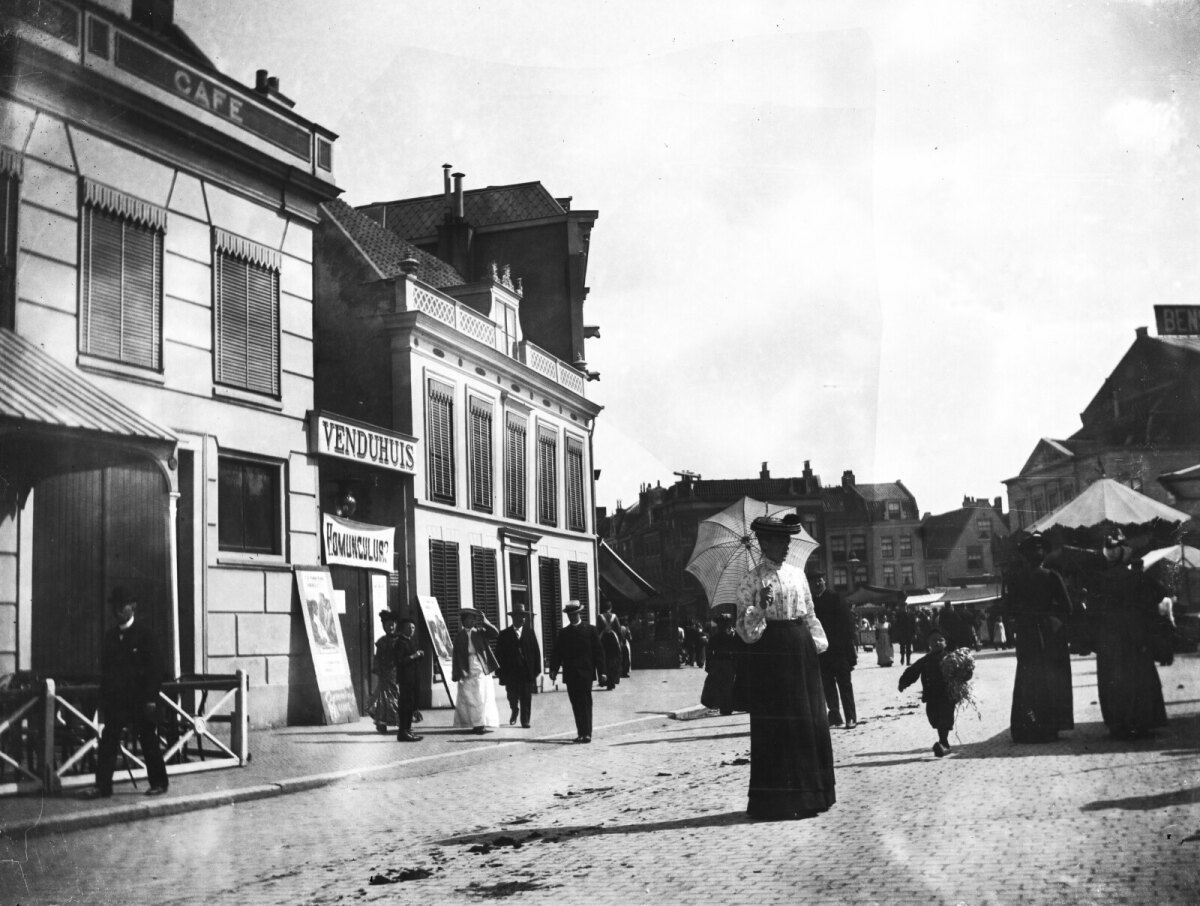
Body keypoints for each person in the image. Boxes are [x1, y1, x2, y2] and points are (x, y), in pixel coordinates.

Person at [735, 514, 835, 821]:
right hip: (771, 654)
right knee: (779, 725)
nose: (786, 546)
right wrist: (760, 607)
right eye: (781, 541)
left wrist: (816, 643)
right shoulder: (752, 580)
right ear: (765, 543)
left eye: (788, 540)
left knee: (807, 720)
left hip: (800, 648)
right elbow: (745, 629)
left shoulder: (797, 574)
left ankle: (813, 794)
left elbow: (809, 612)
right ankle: (778, 801)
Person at [1050, 529, 1172, 739]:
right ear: (1125, 552)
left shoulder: (1098, 580)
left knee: (1112, 677)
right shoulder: (1137, 577)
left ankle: (1118, 724)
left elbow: (1091, 610)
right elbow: (1158, 597)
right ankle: (1142, 721)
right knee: (1138, 674)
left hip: (1109, 635)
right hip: (1135, 632)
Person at [85, 587, 169, 798]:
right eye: (114, 606)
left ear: (132, 607)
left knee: (148, 739)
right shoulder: (111, 637)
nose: (117, 610)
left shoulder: (145, 635)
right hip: (116, 702)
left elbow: (155, 670)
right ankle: (102, 786)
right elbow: (106, 672)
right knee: (108, 742)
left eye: (121, 606)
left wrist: (151, 698)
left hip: (141, 700)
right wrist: (104, 701)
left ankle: (159, 782)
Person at [1004, 532, 1076, 743]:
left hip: (1027, 632)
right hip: (1050, 632)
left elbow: (1008, 609)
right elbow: (1067, 608)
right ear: (1044, 555)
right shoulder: (1052, 576)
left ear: (1025, 556)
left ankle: (1028, 725)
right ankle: (1050, 726)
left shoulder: (1015, 579)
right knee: (1052, 677)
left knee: (1028, 678)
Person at [549, 600, 607, 743]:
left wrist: (602, 672)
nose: (572, 617)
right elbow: (557, 653)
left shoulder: (590, 630)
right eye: (569, 615)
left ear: (579, 613)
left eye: (574, 614)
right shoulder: (564, 633)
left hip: (586, 673)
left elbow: (599, 653)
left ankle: (587, 733)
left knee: (586, 702)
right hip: (570, 674)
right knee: (575, 703)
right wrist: (553, 669)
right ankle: (581, 732)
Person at [810, 570, 858, 730]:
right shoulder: (810, 603)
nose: (817, 584)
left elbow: (848, 625)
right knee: (827, 685)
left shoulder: (836, 598)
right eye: (814, 582)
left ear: (825, 581)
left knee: (845, 685)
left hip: (839, 650)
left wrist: (850, 652)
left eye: (820, 581)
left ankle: (851, 717)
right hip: (822, 652)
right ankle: (835, 715)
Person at [899, 627, 956, 757]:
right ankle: (943, 742)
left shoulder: (952, 658)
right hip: (931, 696)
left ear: (946, 642)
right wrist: (903, 682)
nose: (937, 643)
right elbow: (913, 671)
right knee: (934, 718)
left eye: (940, 640)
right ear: (929, 643)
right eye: (933, 640)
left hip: (947, 695)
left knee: (944, 719)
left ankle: (944, 743)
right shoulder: (925, 660)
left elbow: (964, 670)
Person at [451, 607, 500, 734]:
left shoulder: (480, 632)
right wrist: (456, 672)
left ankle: (481, 724)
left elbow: (496, 633)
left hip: (480, 666)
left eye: (474, 619)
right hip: (466, 667)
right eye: (469, 619)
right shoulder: (459, 636)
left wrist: (485, 621)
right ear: (464, 621)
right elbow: (456, 655)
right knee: (469, 697)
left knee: (481, 695)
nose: (472, 621)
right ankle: (474, 724)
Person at [496, 603, 542, 728]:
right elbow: (498, 655)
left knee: (526, 697)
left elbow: (536, 652)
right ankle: (514, 709)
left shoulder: (529, 633)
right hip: (511, 672)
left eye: (524, 616)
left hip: (526, 671)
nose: (523, 619)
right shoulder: (504, 634)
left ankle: (525, 720)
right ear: (513, 618)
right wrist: (500, 672)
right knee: (512, 696)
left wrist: (537, 670)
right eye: (520, 616)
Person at [366, 611, 401, 733]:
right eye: (387, 625)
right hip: (385, 674)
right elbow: (377, 657)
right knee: (382, 699)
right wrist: (377, 668)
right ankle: (382, 722)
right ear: (383, 626)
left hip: (397, 673)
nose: (390, 627)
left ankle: (400, 721)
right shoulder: (381, 642)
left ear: (396, 625)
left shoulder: (400, 640)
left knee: (397, 696)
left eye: (392, 625)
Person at [701, 605, 738, 715]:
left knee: (719, 685)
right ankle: (726, 707)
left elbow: (709, 652)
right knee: (728, 685)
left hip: (717, 663)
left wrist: (708, 665)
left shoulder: (715, 638)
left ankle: (722, 705)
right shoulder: (731, 638)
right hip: (728, 664)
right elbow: (735, 652)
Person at [394, 615, 425, 742]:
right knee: (405, 705)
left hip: (413, 678)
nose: (412, 630)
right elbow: (399, 661)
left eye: (413, 627)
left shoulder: (410, 641)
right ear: (403, 629)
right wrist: (414, 656)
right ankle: (403, 731)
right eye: (409, 627)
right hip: (405, 679)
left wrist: (419, 655)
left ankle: (408, 729)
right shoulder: (400, 643)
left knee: (411, 705)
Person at [597, 602, 623, 690]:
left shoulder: (600, 617)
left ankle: (604, 681)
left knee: (603, 659)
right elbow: (619, 629)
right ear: (610, 608)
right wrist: (621, 640)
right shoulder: (614, 616)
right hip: (613, 640)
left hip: (603, 639)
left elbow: (598, 629)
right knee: (614, 660)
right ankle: (612, 681)